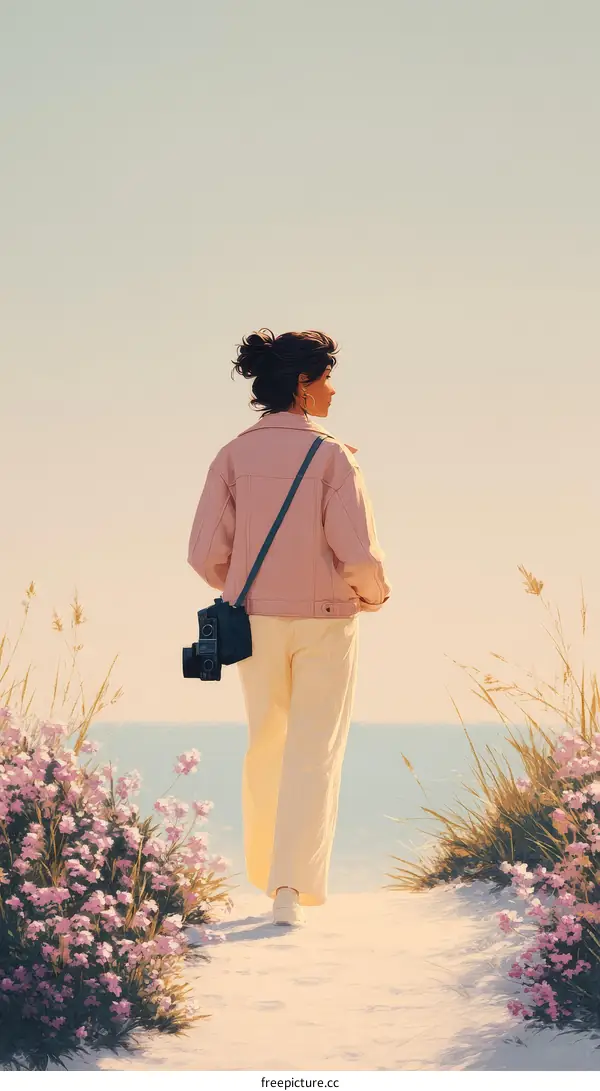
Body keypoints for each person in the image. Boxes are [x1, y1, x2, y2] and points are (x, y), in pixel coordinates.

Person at [187, 328, 391, 926]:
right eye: (325, 377)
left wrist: (249, 580)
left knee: (267, 744)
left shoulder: (231, 455)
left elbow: (204, 554)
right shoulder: (333, 455)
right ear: (303, 385)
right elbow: (356, 552)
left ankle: (268, 877)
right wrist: (374, 596)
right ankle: (290, 891)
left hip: (255, 621)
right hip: (326, 622)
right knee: (314, 751)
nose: (332, 389)